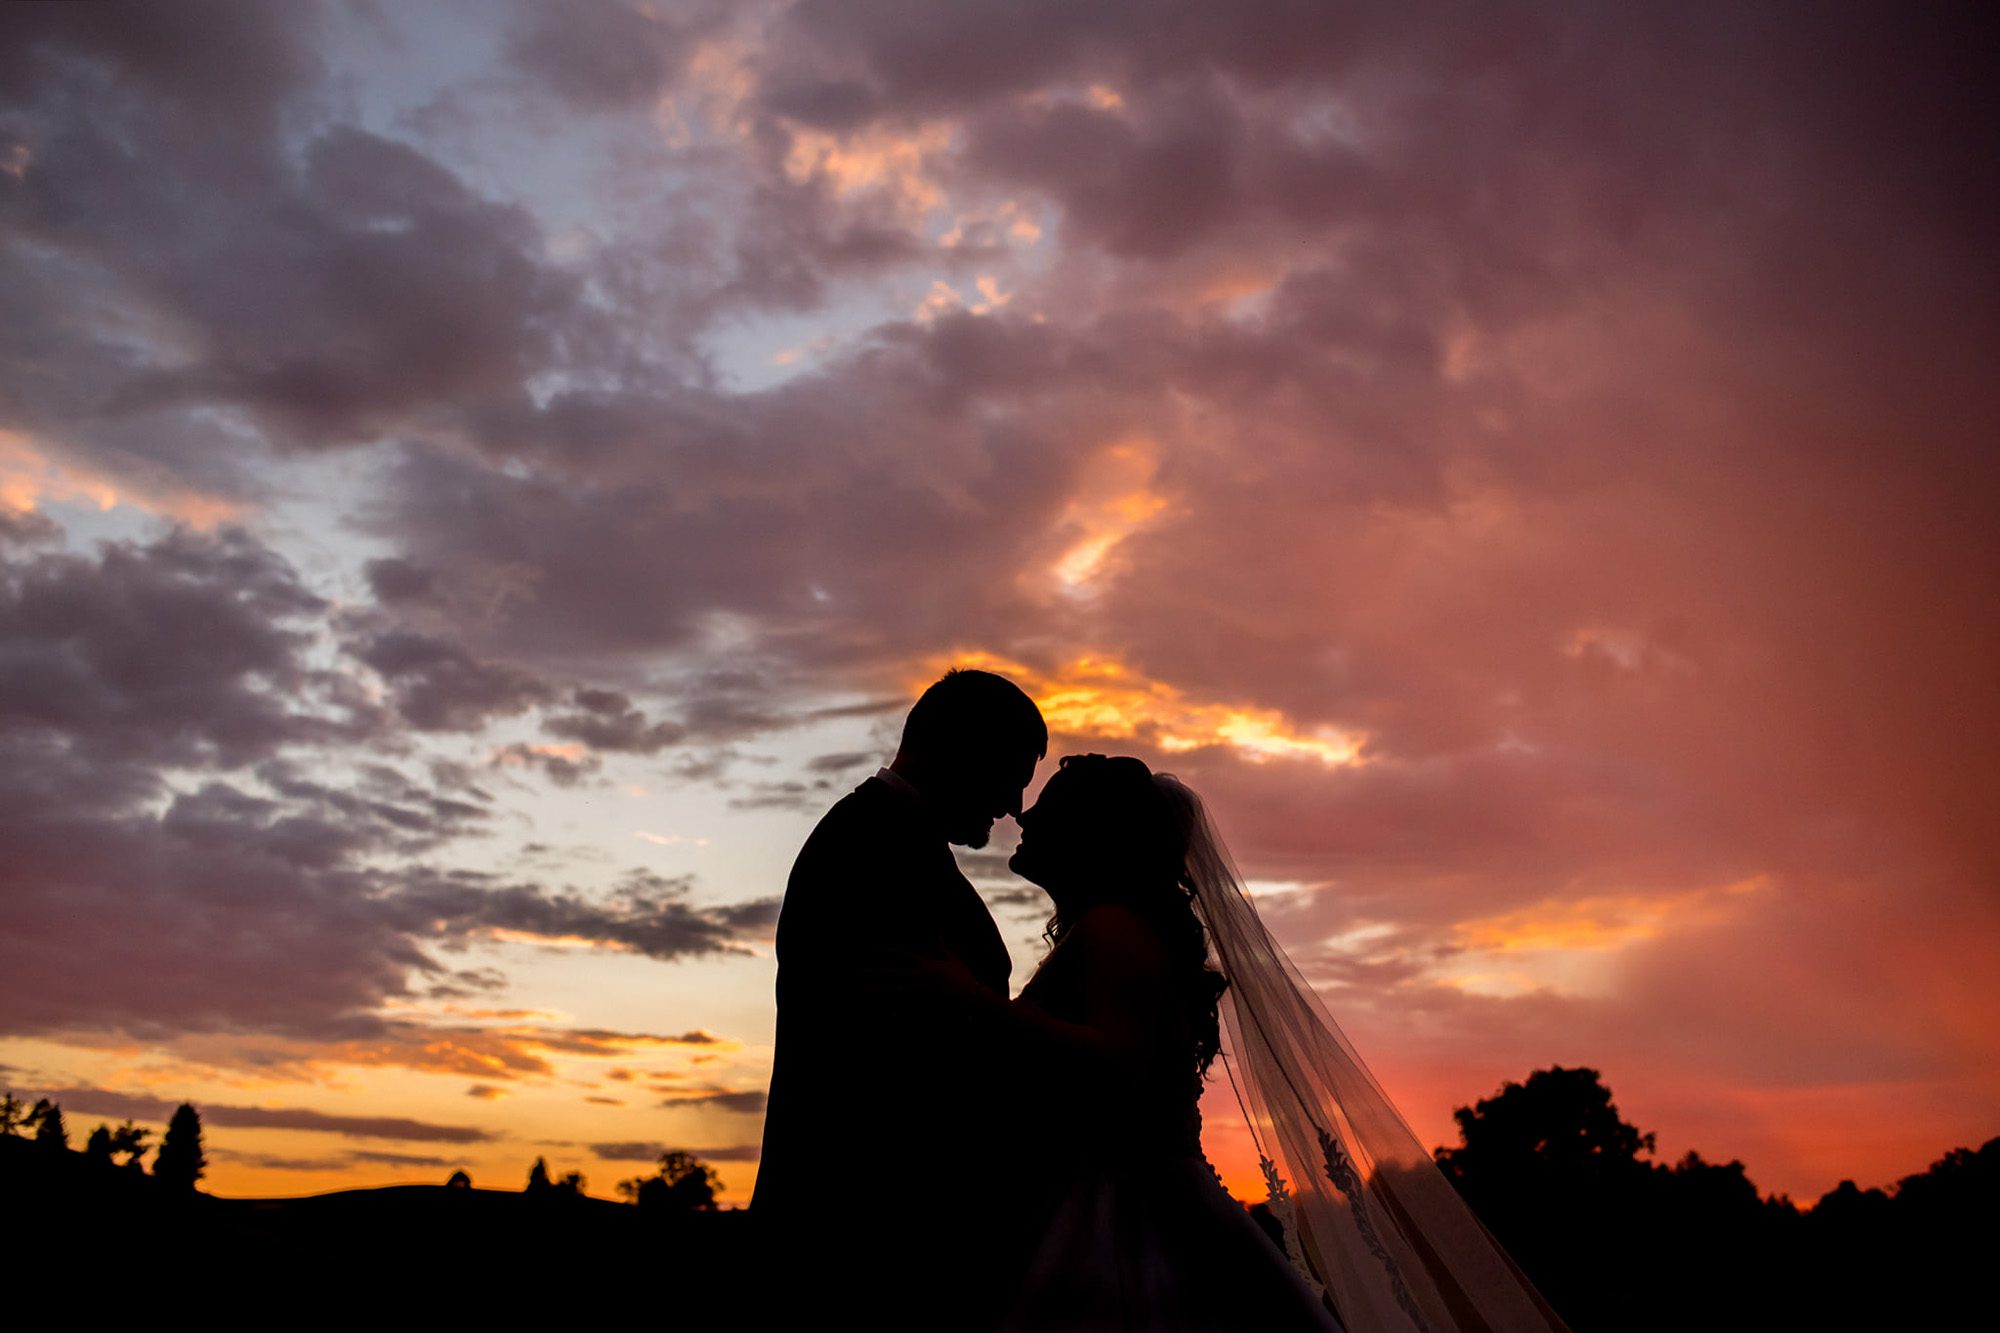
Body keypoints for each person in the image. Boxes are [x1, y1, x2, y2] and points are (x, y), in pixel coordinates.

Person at [967, 754, 1572, 1332]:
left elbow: (1118, 1069)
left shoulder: (1112, 929)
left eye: (1047, 807)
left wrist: (967, 1003)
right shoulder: (1115, 928)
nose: (1025, 817)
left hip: (1127, 1216)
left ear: (1089, 833)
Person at [751, 667, 1048, 1331]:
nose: (1014, 806)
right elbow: (907, 1056)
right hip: (863, 1237)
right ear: (960, 746)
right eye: (1011, 774)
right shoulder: (873, 848)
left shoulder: (889, 838)